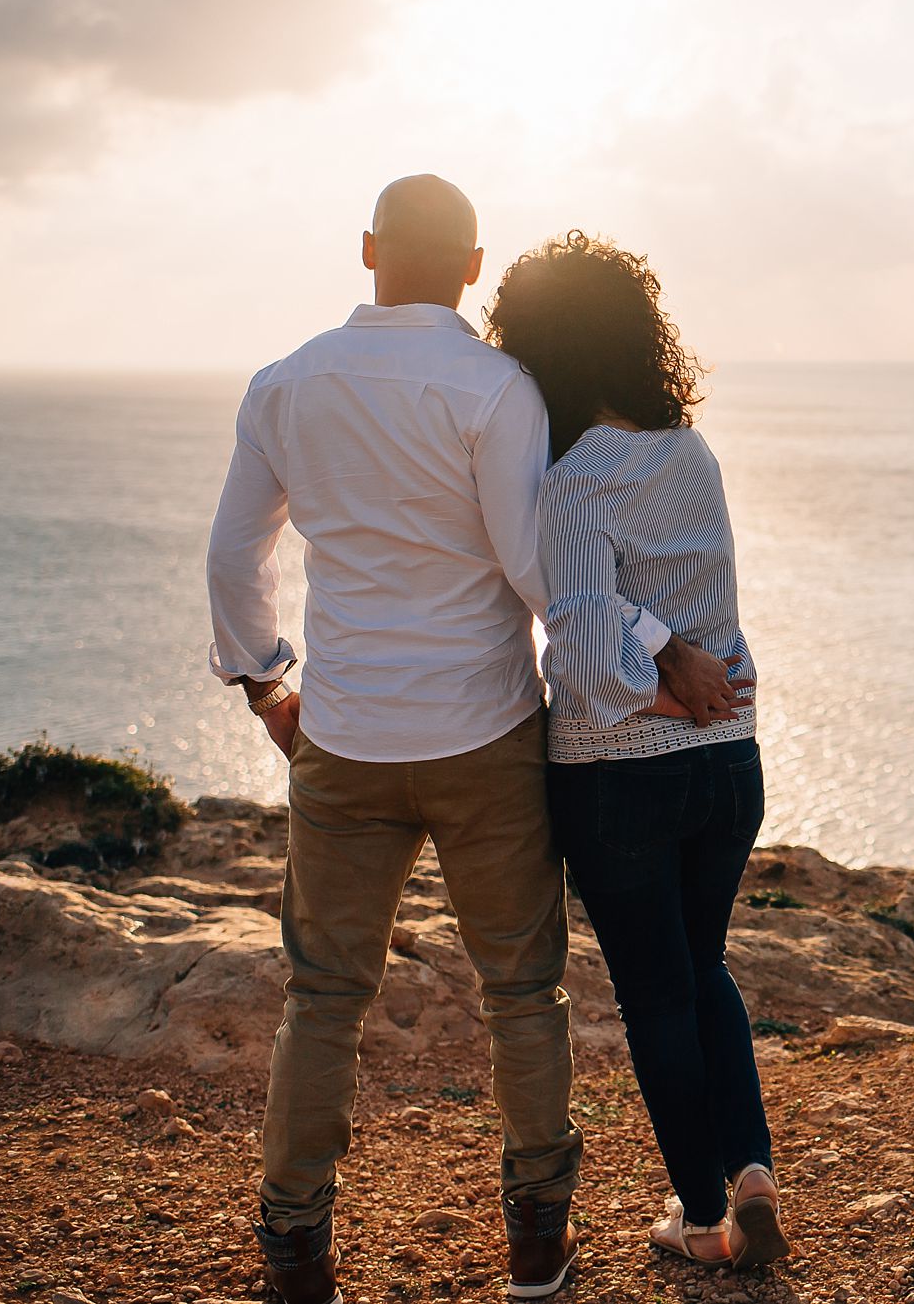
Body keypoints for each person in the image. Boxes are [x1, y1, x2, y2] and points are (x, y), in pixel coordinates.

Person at [205, 178, 746, 1304]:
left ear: (366, 251)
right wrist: (661, 648)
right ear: (469, 266)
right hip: (486, 735)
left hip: (343, 738)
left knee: (322, 996)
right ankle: (538, 1246)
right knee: (522, 993)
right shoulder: (497, 388)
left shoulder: (285, 384)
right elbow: (544, 569)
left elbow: (232, 560)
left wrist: (268, 691)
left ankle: (298, 1244)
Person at [484, 230, 789, 1271]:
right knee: (705, 969)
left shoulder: (573, 481)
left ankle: (700, 1217)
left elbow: (584, 651)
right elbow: (685, 618)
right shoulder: (689, 450)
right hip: (726, 759)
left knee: (657, 994)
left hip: (621, 777)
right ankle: (748, 1170)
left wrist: (655, 664)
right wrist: (687, 663)